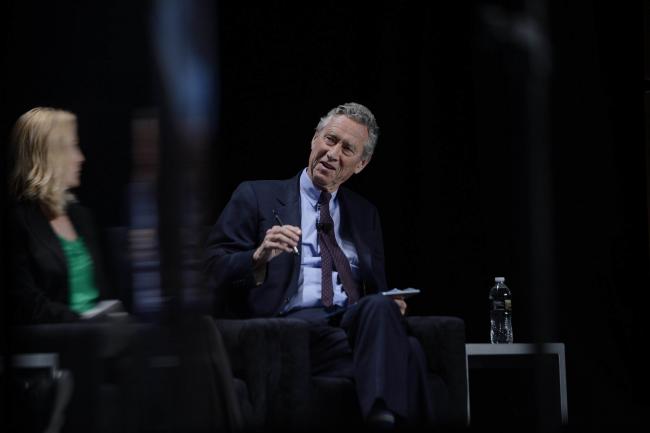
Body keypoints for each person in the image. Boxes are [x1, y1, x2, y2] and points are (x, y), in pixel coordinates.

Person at [205, 102, 436, 428]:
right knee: (409, 352)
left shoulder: (365, 214)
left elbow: (377, 289)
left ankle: (382, 416)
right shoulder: (256, 196)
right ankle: (383, 416)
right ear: (314, 138)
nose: (332, 153)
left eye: (347, 149)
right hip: (290, 328)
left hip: (351, 327)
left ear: (361, 164)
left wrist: (391, 304)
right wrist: (257, 257)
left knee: (382, 311)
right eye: (330, 139)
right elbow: (210, 270)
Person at [6, 107, 110, 324]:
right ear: (48, 156)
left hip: (94, 338)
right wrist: (83, 323)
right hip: (56, 344)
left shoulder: (81, 217)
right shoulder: (17, 222)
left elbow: (101, 294)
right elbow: (28, 305)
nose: (80, 158)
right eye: (72, 147)